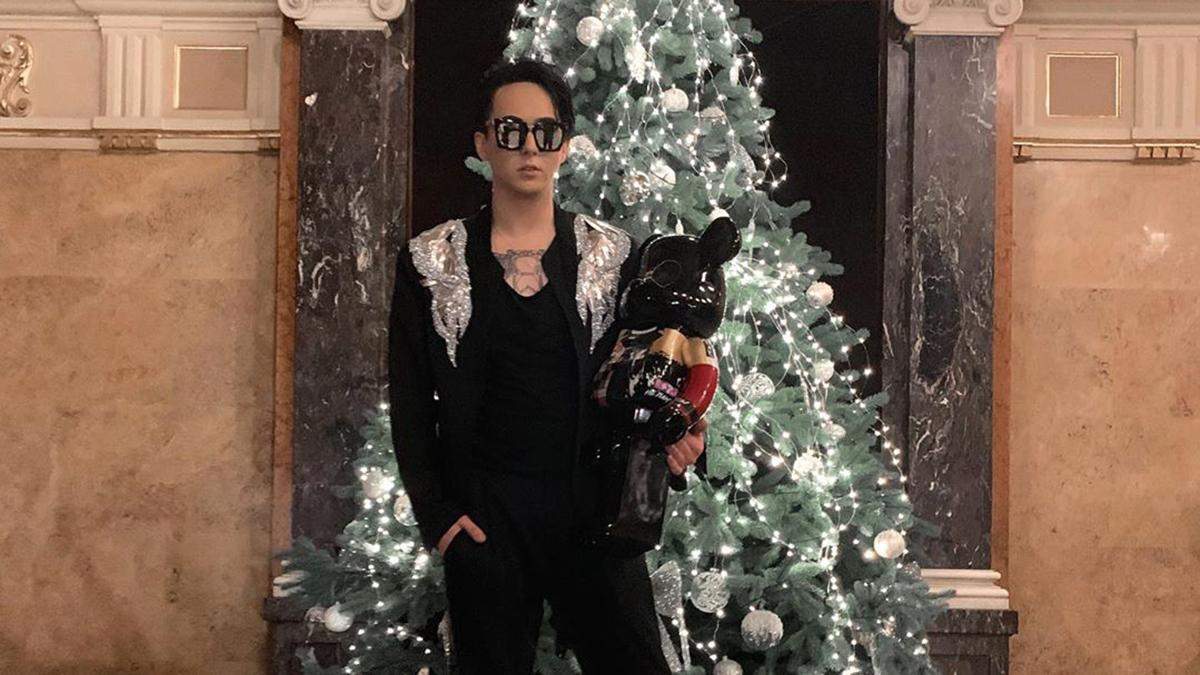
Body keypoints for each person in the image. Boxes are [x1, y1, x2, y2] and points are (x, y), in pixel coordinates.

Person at [387, 58, 708, 674]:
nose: (529, 147)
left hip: (596, 512)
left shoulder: (614, 255)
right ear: (483, 143)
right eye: (510, 131)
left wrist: (685, 431)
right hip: (487, 523)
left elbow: (653, 367)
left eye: (545, 131)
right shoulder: (430, 261)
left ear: (564, 145)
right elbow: (409, 399)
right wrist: (439, 517)